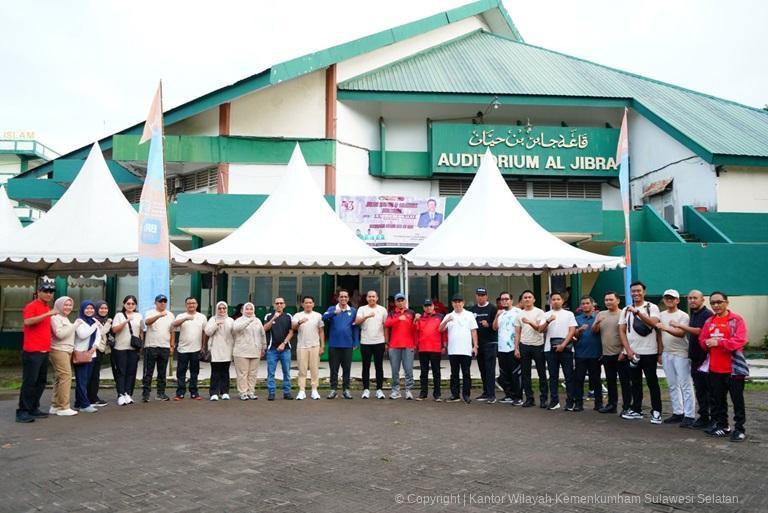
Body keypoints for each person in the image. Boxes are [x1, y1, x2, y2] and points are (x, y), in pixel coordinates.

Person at [699, 292, 748, 442]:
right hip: (715, 369)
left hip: (734, 370)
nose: (716, 306)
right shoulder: (709, 321)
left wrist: (719, 342)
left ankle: (739, 429)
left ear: (727, 302)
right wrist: (706, 343)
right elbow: (702, 339)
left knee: (737, 401)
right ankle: (723, 426)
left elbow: (740, 341)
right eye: (713, 303)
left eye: (719, 302)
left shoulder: (736, 320)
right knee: (718, 401)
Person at [619, 281, 663, 424]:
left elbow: (654, 324)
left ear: (644, 292)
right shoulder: (626, 309)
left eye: (638, 291)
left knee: (652, 382)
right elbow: (622, 331)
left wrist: (638, 312)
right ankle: (636, 409)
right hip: (633, 353)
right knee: (635, 383)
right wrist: (628, 350)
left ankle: (656, 412)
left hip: (649, 352)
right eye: (633, 291)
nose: (636, 293)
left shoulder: (652, 307)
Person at [16, 280, 57, 423]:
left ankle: (33, 407)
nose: (48, 294)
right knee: (29, 381)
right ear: (38, 292)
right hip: (32, 351)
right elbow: (27, 322)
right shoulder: (32, 306)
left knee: (41, 381)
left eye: (51, 292)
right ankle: (23, 411)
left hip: (44, 350)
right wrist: (48, 314)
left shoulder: (47, 307)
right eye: (45, 291)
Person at [675, 290, 714, 429]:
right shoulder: (694, 313)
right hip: (695, 358)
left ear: (702, 299)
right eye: (690, 298)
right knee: (700, 389)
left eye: (695, 298)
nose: (692, 300)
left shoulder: (707, 314)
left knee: (709, 390)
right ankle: (703, 417)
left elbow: (700, 331)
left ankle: (712, 419)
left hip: (705, 359)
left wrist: (680, 325)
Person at [656, 289, 694, 426]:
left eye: (672, 298)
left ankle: (689, 415)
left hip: (681, 353)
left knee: (686, 385)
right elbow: (659, 336)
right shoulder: (661, 315)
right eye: (667, 298)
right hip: (667, 353)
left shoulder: (683, 316)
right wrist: (660, 353)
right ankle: (678, 412)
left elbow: (680, 333)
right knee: (672, 384)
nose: (669, 300)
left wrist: (665, 328)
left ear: (677, 300)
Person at [593, 292, 630, 415]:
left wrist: (624, 351)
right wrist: (597, 322)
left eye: (611, 299)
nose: (608, 302)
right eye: (606, 300)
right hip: (606, 354)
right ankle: (611, 405)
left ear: (618, 301)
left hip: (621, 354)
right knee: (610, 381)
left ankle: (626, 406)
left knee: (625, 382)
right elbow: (594, 331)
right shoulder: (601, 314)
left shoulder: (623, 314)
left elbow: (628, 334)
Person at [440, 294, 478, 403]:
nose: (457, 304)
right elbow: (440, 329)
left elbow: (474, 331)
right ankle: (455, 394)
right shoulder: (448, 315)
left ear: (463, 303)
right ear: (452, 304)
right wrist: (447, 321)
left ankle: (466, 395)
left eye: (459, 302)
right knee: (454, 373)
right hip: (453, 350)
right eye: (455, 302)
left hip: (466, 350)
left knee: (466, 373)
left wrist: (475, 346)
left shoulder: (469, 315)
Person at [543, 291, 577, 410]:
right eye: (553, 299)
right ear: (550, 301)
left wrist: (563, 344)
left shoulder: (569, 314)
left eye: (558, 299)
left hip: (566, 348)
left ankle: (570, 401)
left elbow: (572, 330)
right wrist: (548, 321)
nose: (556, 301)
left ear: (562, 301)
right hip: (549, 348)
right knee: (553, 376)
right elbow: (540, 329)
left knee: (569, 376)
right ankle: (554, 400)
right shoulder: (546, 314)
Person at [514, 290, 548, 408]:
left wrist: (529, 322)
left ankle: (544, 398)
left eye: (529, 297)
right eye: (525, 297)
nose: (527, 299)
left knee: (541, 373)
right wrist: (516, 348)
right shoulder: (519, 314)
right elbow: (517, 332)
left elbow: (540, 329)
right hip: (524, 345)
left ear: (534, 299)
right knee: (525, 374)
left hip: (538, 345)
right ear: (522, 300)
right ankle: (529, 398)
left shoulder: (539, 312)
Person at [322, 289, 359, 399]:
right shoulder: (332, 309)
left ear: (348, 298)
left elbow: (356, 327)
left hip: (347, 344)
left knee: (347, 368)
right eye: (341, 297)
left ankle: (346, 390)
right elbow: (323, 318)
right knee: (334, 369)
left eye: (345, 297)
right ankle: (333, 389)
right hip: (334, 344)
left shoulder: (353, 311)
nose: (343, 299)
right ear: (338, 298)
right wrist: (334, 313)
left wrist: (356, 341)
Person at [172, 297, 207, 400]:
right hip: (183, 349)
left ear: (197, 305)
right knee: (181, 372)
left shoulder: (202, 317)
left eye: (193, 303)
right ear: (185, 305)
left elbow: (205, 332)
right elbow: (174, 325)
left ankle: (194, 392)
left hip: (196, 349)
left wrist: (203, 346)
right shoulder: (181, 316)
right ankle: (180, 392)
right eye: (189, 303)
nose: (191, 305)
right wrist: (185, 319)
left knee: (194, 372)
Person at [355, 290, 388, 399]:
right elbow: (357, 322)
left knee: (379, 366)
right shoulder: (362, 309)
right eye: (369, 296)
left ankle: (379, 389)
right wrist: (366, 316)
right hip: (365, 342)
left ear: (377, 298)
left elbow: (385, 326)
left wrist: (386, 341)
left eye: (373, 296)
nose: (371, 298)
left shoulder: (382, 310)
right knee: (366, 366)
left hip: (379, 341)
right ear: (366, 298)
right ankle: (366, 389)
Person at [142, 294, 175, 402]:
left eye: (165, 301)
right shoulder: (150, 312)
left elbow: (172, 331)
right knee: (148, 372)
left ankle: (160, 393)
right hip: (151, 346)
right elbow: (147, 322)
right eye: (160, 301)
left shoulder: (170, 315)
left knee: (162, 372)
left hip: (164, 347)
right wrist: (159, 316)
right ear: (156, 302)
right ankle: (145, 394)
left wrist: (171, 345)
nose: (163, 303)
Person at [49, 296, 78, 416]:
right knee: (66, 376)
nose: (68, 307)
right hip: (58, 349)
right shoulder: (55, 318)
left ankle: (55, 405)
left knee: (59, 377)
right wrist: (75, 325)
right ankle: (63, 407)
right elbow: (60, 334)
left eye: (70, 305)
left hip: (66, 350)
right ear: (59, 305)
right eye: (65, 305)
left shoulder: (65, 318)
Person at [384, 293, 417, 400]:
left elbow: (415, 328)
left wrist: (415, 343)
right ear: (395, 302)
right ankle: (395, 390)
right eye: (398, 300)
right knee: (395, 370)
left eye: (402, 300)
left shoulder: (411, 313)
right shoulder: (392, 313)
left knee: (408, 369)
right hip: (394, 345)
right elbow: (386, 324)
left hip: (408, 345)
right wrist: (398, 319)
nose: (400, 302)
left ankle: (408, 390)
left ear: (405, 301)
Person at [292, 296, 325, 400]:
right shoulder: (298, 315)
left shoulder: (318, 316)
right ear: (302, 304)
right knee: (302, 369)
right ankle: (302, 390)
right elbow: (293, 328)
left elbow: (321, 331)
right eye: (306, 303)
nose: (308, 305)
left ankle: (314, 390)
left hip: (315, 346)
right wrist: (299, 322)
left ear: (313, 304)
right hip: (302, 346)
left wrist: (322, 345)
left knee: (314, 369)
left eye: (310, 302)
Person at [573, 296, 602, 412]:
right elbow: (573, 336)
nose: (585, 305)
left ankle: (599, 404)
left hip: (595, 354)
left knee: (596, 380)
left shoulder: (598, 318)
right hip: (580, 354)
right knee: (579, 380)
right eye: (583, 304)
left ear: (592, 304)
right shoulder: (577, 319)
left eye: (587, 303)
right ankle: (578, 404)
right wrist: (579, 330)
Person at [111, 295, 141, 406]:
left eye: (133, 304)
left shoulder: (139, 315)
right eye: (128, 303)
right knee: (121, 372)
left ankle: (128, 393)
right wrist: (125, 321)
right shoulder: (119, 315)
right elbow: (114, 329)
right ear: (124, 304)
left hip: (133, 348)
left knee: (131, 372)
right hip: (120, 347)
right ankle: (120, 394)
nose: (130, 305)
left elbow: (141, 330)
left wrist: (140, 344)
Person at [468, 287, 498, 403]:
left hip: (490, 343)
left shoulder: (492, 308)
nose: (481, 297)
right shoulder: (472, 310)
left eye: (483, 295)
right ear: (476, 296)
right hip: (478, 344)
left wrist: (489, 324)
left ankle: (492, 395)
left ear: (486, 296)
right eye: (479, 295)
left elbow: (497, 325)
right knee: (482, 369)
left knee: (490, 369)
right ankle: (486, 392)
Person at [232, 302, 266, 401]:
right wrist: (248, 321)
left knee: (253, 373)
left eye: (251, 309)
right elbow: (236, 329)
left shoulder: (258, 320)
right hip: (241, 351)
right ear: (242, 310)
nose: (249, 311)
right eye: (247, 309)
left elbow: (262, 334)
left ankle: (251, 392)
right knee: (243, 373)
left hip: (255, 350)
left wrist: (263, 347)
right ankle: (243, 392)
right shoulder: (238, 320)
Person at [493, 291, 522, 405]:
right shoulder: (501, 313)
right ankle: (508, 395)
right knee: (504, 373)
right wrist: (497, 315)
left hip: (513, 348)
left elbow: (520, 330)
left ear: (511, 300)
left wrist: (517, 347)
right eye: (502, 299)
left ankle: (518, 397)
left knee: (515, 373)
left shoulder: (518, 312)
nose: (504, 301)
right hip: (501, 348)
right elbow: (494, 327)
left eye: (506, 299)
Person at [73, 301, 102, 413]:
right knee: (82, 380)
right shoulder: (79, 321)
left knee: (86, 380)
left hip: (91, 353)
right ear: (82, 309)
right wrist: (95, 325)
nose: (89, 310)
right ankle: (85, 404)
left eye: (91, 308)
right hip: (81, 354)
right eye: (87, 308)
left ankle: (79, 402)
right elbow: (83, 335)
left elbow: (99, 335)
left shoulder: (93, 320)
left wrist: (94, 347)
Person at [414, 298, 445, 401]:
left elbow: (444, 332)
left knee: (436, 372)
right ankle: (423, 394)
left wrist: (444, 345)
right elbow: (416, 331)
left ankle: (437, 395)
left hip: (436, 348)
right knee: (424, 372)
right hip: (423, 348)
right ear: (424, 307)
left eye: (430, 306)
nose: (428, 308)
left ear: (433, 306)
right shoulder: (420, 318)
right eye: (426, 306)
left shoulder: (440, 317)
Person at [264, 297, 294, 401]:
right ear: (274, 305)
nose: (279, 305)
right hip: (272, 350)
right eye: (277, 303)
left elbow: (291, 332)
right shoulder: (269, 316)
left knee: (286, 372)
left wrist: (283, 343)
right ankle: (271, 393)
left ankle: (287, 392)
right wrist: (273, 319)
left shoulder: (288, 316)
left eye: (281, 303)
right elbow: (265, 329)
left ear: (284, 305)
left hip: (285, 349)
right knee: (271, 372)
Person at [205, 301, 234, 400]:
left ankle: (224, 392)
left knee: (225, 372)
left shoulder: (230, 320)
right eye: (220, 308)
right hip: (215, 349)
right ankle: (214, 393)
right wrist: (216, 324)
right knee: (215, 372)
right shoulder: (212, 319)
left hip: (227, 349)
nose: (222, 310)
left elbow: (234, 333)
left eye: (224, 308)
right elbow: (207, 332)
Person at [87, 300, 112, 408]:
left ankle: (93, 397)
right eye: (101, 308)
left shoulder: (103, 320)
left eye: (105, 308)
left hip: (100, 350)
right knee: (91, 375)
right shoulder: (94, 319)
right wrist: (108, 324)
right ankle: (91, 398)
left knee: (95, 375)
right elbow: (101, 332)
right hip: (93, 349)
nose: (103, 310)